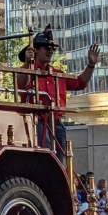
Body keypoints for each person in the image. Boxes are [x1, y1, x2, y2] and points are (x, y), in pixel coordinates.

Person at [19, 27, 99, 159]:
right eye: (46, 47)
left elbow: (80, 83)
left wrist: (91, 65)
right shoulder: (27, 71)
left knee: (60, 158)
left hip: (56, 122)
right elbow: (21, 84)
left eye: (52, 48)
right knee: (45, 156)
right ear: (36, 50)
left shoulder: (57, 74)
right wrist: (28, 63)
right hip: (36, 121)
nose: (50, 51)